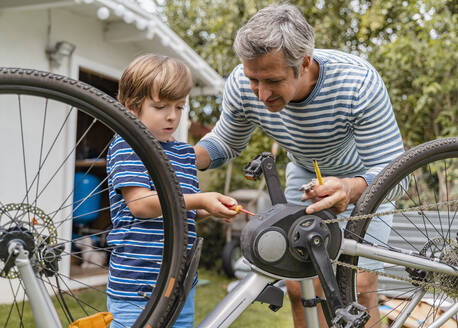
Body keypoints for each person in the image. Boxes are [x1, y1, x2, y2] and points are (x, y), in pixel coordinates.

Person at [194, 4, 405, 328]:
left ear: (304, 62)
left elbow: (395, 173)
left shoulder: (357, 83)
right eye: (254, 79)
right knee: (299, 284)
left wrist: (349, 187)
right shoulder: (241, 84)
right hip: (306, 175)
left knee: (360, 285)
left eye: (272, 81)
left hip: (367, 179)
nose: (261, 94)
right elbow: (224, 143)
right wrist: (175, 161)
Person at [106, 54, 239, 328]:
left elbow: (183, 212)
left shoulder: (184, 154)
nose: (172, 116)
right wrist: (200, 199)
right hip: (137, 285)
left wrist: (208, 210)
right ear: (132, 107)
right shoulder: (129, 144)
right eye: (160, 106)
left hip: (179, 283)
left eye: (179, 107)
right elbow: (140, 205)